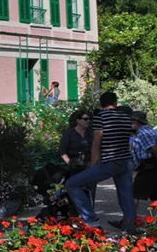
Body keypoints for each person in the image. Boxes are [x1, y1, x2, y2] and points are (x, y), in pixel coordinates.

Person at [66, 91, 136, 233]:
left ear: (101, 103)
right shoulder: (126, 117)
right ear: (115, 103)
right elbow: (129, 137)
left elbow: (97, 141)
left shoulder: (100, 117)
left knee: (72, 184)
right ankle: (130, 225)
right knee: (126, 194)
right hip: (126, 160)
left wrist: (92, 165)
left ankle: (91, 220)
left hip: (110, 161)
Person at [59, 109, 95, 203]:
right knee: (77, 190)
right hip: (75, 166)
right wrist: (70, 163)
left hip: (89, 165)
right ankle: (79, 213)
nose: (88, 121)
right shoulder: (69, 134)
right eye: (85, 119)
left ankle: (90, 212)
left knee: (91, 190)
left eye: (90, 119)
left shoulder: (91, 134)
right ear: (78, 120)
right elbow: (62, 151)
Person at [130, 110, 157, 213]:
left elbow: (154, 149)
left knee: (134, 194)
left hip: (148, 167)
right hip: (150, 167)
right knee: (154, 195)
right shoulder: (149, 130)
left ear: (136, 122)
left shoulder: (143, 133)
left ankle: (129, 221)